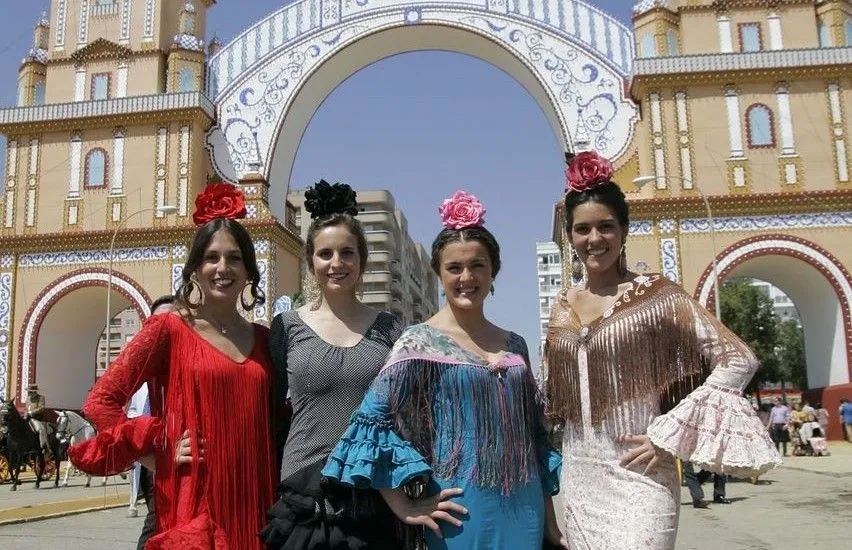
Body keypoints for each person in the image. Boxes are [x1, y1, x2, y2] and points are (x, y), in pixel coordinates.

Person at [543, 152, 780, 549]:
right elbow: (550, 395)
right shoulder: (562, 307)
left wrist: (668, 435)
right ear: (570, 236)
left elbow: (738, 358)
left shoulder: (658, 294)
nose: (594, 239)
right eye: (582, 229)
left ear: (624, 230)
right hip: (581, 479)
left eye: (606, 226)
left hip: (642, 475)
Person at [323, 190, 566, 549]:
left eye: (477, 265)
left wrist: (550, 522)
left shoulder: (515, 345)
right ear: (439, 274)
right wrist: (404, 505)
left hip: (525, 510)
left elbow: (534, 439)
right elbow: (368, 423)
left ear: (493, 270)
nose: (467, 276)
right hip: (459, 511)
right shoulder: (417, 343)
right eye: (454, 267)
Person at [69, 183, 276, 549]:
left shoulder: (265, 338)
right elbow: (101, 401)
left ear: (249, 271)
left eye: (234, 258)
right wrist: (156, 453)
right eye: (211, 257)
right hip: (195, 499)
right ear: (194, 270)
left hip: (256, 498)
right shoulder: (170, 328)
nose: (222, 268)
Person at [260, 181, 405, 549]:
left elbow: (404, 413)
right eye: (325, 254)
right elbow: (268, 410)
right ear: (311, 262)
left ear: (362, 260)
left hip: (372, 494)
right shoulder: (287, 326)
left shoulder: (391, 329)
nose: (336, 263)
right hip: (305, 499)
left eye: (347, 252)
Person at [134, 295, 175, 549]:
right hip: (156, 466)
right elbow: (103, 406)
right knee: (154, 525)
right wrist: (147, 458)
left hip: (191, 463)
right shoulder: (138, 371)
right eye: (156, 322)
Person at [24, 384, 50, 451]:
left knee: (40, 429)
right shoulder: (27, 399)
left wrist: (33, 412)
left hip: (37, 419)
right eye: (28, 391)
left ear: (34, 392)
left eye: (30, 392)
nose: (28, 393)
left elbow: (41, 408)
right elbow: (26, 408)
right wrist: (26, 413)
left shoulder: (41, 397)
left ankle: (43, 445)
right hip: (27, 418)